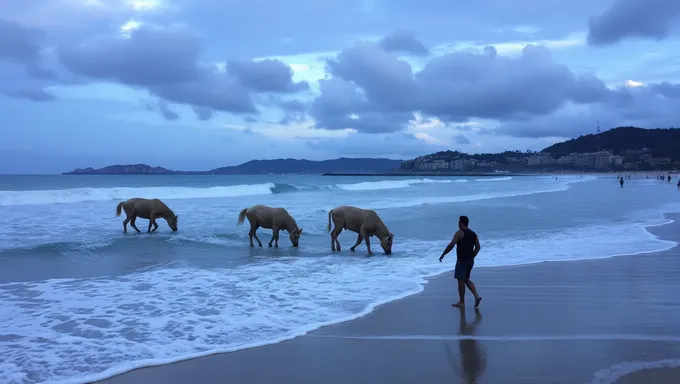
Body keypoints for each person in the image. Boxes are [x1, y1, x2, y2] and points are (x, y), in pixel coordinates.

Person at [439, 215, 482, 308]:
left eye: (459, 222)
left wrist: (443, 255)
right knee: (466, 279)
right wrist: (472, 256)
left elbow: (451, 245)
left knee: (461, 281)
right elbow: (478, 247)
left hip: (462, 261)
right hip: (470, 261)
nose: (458, 224)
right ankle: (477, 296)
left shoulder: (460, 232)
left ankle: (462, 302)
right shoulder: (473, 234)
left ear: (462, 223)